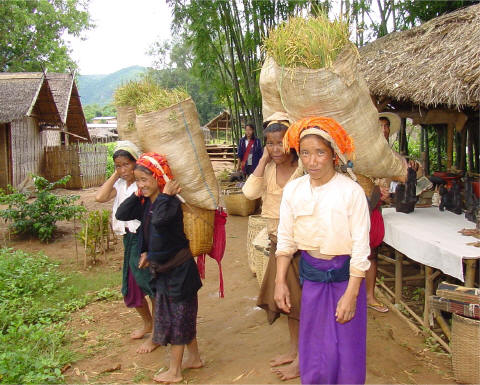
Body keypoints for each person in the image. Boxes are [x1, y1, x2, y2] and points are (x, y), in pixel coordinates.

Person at [274, 117, 371, 384]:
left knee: (347, 346)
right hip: (313, 279)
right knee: (316, 345)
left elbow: (361, 249)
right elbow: (286, 240)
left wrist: (351, 294)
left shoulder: (351, 192)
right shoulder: (294, 190)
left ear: (333, 155)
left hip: (345, 278)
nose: (312, 161)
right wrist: (280, 281)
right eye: (305, 153)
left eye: (320, 152)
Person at [116, 153, 203, 383]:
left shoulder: (170, 203)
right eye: (138, 181)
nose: (141, 185)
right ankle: (194, 358)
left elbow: (159, 222)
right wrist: (138, 193)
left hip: (180, 272)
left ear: (158, 177)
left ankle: (174, 372)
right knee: (182, 317)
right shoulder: (146, 202)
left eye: (145, 180)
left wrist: (163, 196)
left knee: (178, 320)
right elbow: (121, 214)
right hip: (165, 272)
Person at [242, 113, 304, 381]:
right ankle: (294, 350)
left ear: (292, 142)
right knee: (289, 303)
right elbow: (249, 193)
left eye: (280, 143)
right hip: (277, 243)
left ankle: (303, 359)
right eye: (270, 143)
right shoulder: (267, 169)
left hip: (301, 246)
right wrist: (265, 158)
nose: (276, 149)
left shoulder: (303, 170)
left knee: (303, 306)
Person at [95, 141, 156, 353]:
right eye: (118, 166)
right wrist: (115, 175)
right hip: (128, 240)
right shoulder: (120, 185)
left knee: (148, 284)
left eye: (125, 165)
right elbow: (99, 197)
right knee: (130, 287)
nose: (122, 170)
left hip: (142, 238)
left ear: (136, 163)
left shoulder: (142, 185)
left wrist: (136, 173)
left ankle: (157, 332)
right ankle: (148, 323)